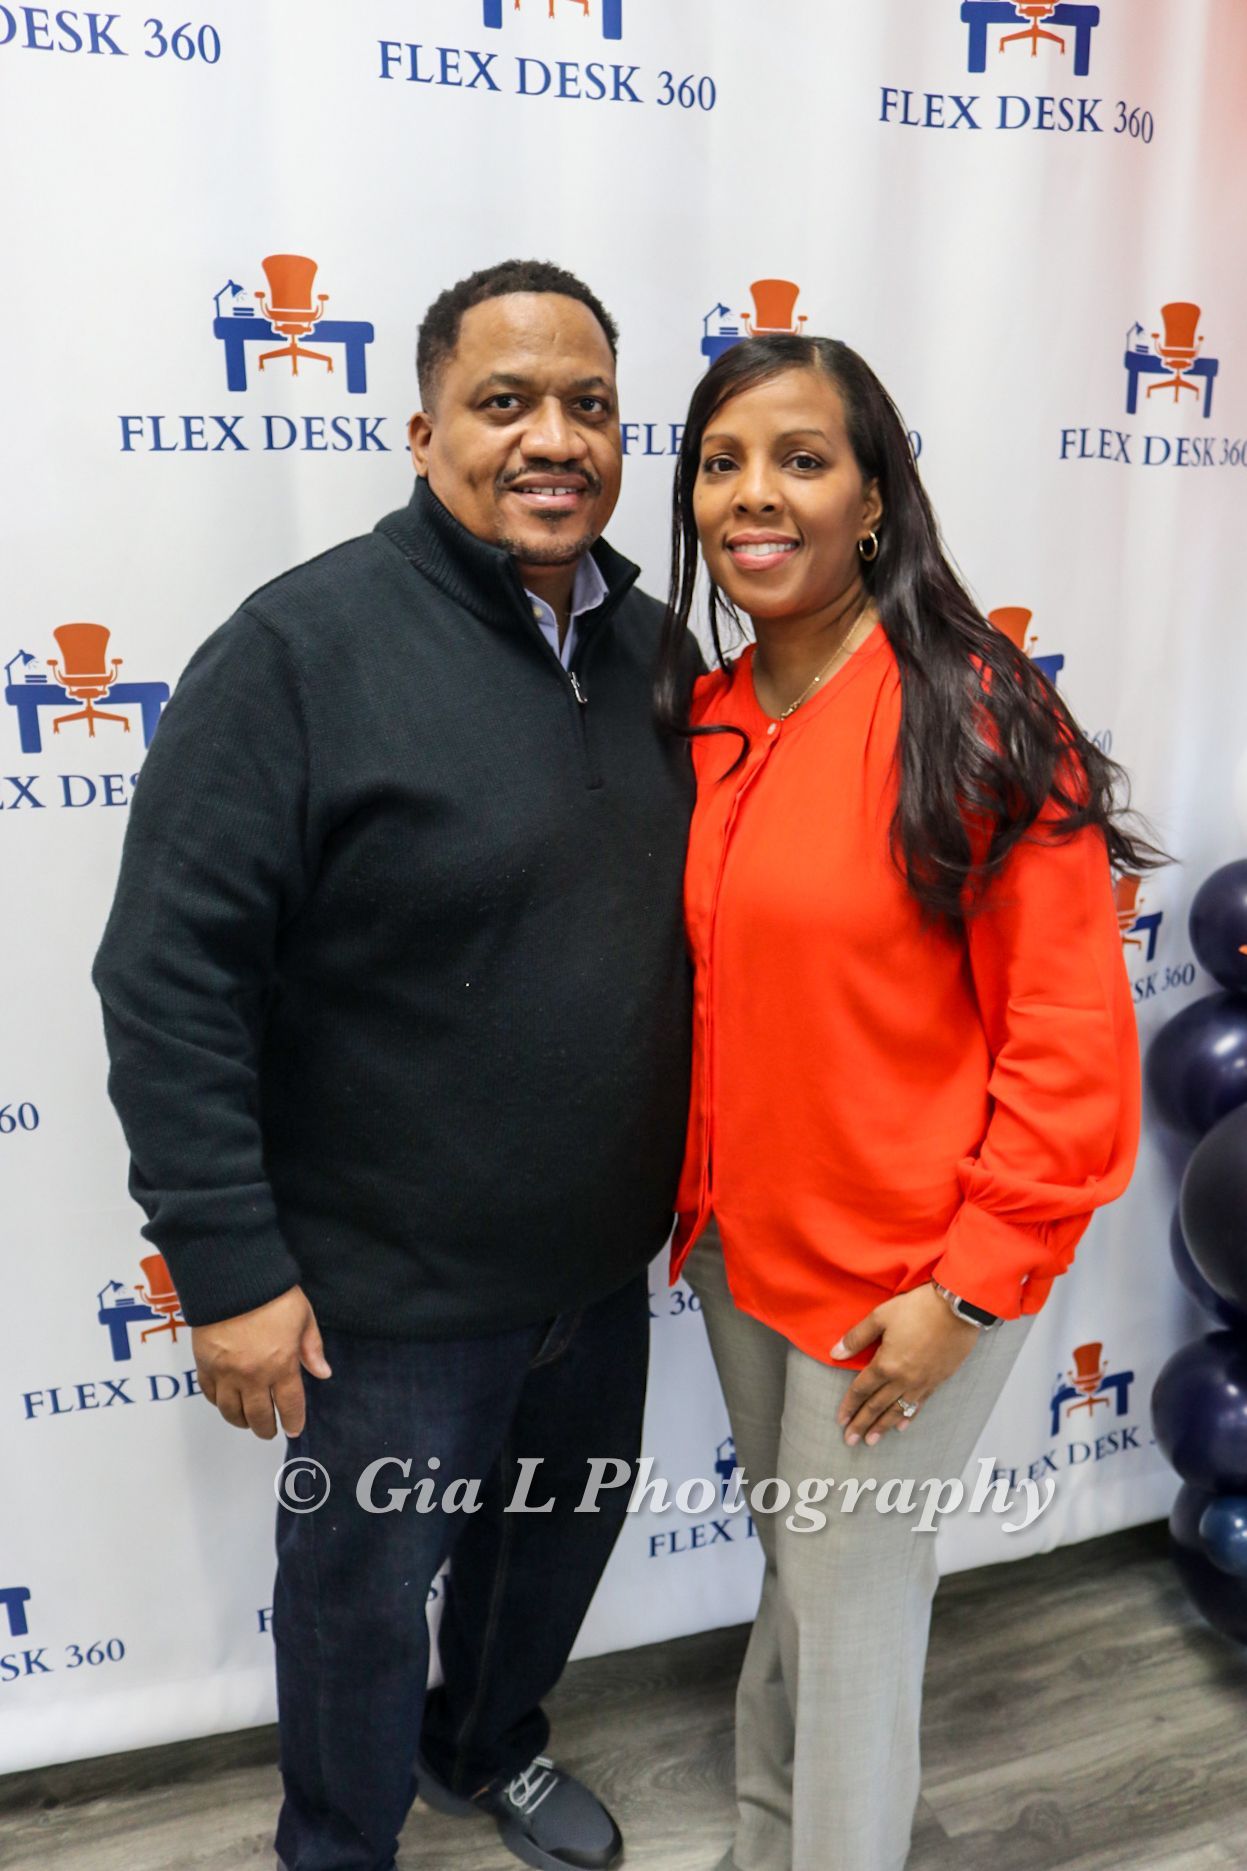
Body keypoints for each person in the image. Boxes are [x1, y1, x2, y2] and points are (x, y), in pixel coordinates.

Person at [93, 259, 700, 1871]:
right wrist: (227, 1268)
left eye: (587, 404)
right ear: (424, 427)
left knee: (542, 1565)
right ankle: (338, 1850)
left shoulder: (657, 653)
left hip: (592, 1271)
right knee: (359, 1602)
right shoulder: (299, 652)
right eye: (506, 404)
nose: (552, 438)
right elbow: (167, 981)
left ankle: (483, 1747)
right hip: (384, 1297)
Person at [653, 334, 1157, 1871]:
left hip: (920, 1276)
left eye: (802, 458)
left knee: (854, 1610)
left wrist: (970, 1286)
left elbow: (1071, 1043)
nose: (758, 494)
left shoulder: (978, 710)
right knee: (807, 1577)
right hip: (745, 1246)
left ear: (875, 497)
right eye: (725, 460)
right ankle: (771, 1841)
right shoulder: (716, 710)